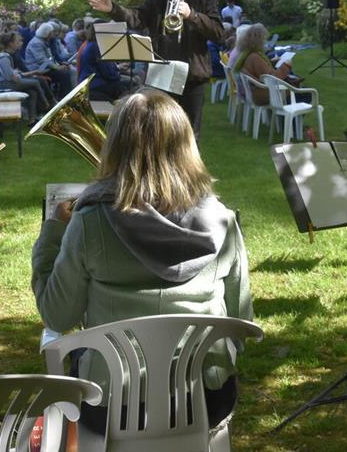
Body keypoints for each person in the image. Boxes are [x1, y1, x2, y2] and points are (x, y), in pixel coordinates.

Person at [32, 89, 252, 433]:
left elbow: (57, 315)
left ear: (115, 146)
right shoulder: (223, 219)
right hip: (206, 400)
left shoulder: (89, 222)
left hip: (112, 406)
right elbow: (241, 321)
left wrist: (52, 232)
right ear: (187, 146)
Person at [87, 0, 226, 137]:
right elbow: (137, 18)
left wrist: (192, 15)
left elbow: (219, 34)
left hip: (193, 75)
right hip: (163, 73)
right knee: (160, 130)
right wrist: (113, 8)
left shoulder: (204, 0)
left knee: (191, 132)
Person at [0, 30, 54, 123]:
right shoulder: (3, 58)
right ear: (11, 44)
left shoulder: (7, 56)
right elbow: (10, 76)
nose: (21, 43)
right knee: (36, 82)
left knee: (32, 92)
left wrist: (17, 75)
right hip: (5, 84)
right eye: (17, 42)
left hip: (9, 82)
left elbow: (12, 73)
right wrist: (17, 76)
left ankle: (32, 119)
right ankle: (46, 103)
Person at [232, 23, 296, 105]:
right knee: (304, 93)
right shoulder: (254, 57)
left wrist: (273, 62)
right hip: (266, 95)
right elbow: (273, 78)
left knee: (296, 86)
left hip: (257, 92)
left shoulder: (246, 54)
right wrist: (286, 65)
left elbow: (262, 70)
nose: (264, 41)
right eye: (263, 38)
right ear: (258, 40)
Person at [24, 22, 73, 98]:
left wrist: (60, 64)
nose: (54, 34)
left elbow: (49, 58)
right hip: (37, 69)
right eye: (52, 32)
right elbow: (42, 59)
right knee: (64, 75)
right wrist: (56, 67)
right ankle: (64, 97)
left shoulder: (42, 41)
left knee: (65, 72)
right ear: (47, 33)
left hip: (44, 68)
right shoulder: (36, 43)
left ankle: (63, 96)